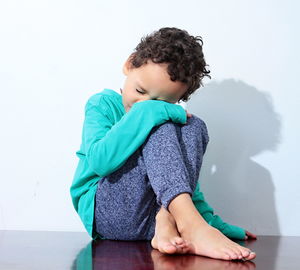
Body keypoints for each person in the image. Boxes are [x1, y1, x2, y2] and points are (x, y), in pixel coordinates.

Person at [70, 27, 257, 261]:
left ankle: (176, 222)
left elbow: (182, 177)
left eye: (164, 101)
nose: (143, 103)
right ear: (129, 64)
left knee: (193, 125)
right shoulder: (102, 104)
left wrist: (214, 223)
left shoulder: (162, 120)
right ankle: (188, 225)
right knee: (163, 123)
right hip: (107, 214)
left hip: (150, 221)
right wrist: (152, 110)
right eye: (140, 90)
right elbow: (99, 161)